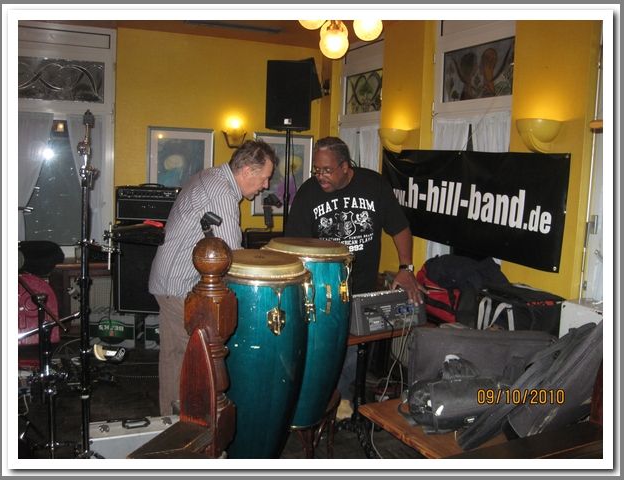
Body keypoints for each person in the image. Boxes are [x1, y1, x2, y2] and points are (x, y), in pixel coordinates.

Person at [284, 136, 423, 418]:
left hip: (360, 285)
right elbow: (294, 245)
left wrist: (406, 269)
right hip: (323, 288)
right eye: (316, 170)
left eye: (326, 170)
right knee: (325, 347)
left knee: (354, 347)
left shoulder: (374, 185)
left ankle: (343, 398)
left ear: (345, 167)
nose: (320, 176)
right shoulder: (308, 193)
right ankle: (318, 397)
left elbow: (400, 228)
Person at [149, 139, 277, 416]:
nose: (266, 185)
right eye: (264, 178)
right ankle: (192, 426)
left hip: (170, 281)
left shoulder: (212, 176)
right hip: (180, 286)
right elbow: (230, 255)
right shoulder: (221, 192)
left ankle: (173, 423)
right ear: (247, 171)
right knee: (197, 363)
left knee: (175, 358)